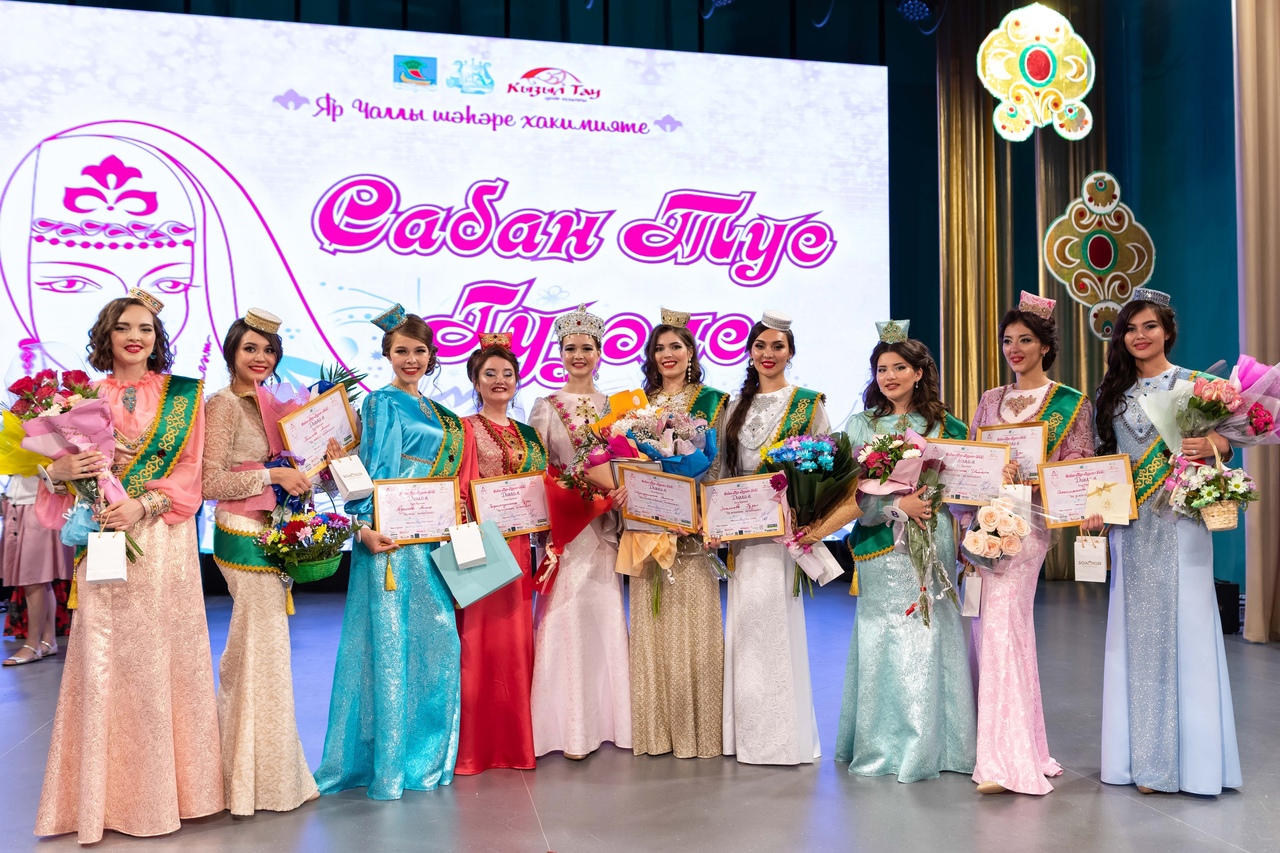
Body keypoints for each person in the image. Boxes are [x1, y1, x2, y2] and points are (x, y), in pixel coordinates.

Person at [34, 290, 223, 843]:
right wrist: (57, 471)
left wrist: (145, 504)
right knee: (106, 658)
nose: (135, 336)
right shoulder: (80, 397)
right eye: (123, 327)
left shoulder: (184, 395)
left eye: (145, 328)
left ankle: (180, 794)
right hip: (104, 535)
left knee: (166, 655)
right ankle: (104, 797)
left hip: (162, 538)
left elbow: (191, 469)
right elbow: (58, 475)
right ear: (106, 335)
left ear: (157, 338)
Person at [1090, 288, 1241, 795]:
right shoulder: (1110, 393)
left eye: (1149, 326)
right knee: (1136, 633)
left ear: (1168, 331)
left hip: (1182, 522)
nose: (1140, 336)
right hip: (1131, 528)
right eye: (1130, 329)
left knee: (1188, 629)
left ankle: (1193, 765)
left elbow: (1230, 444)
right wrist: (1094, 506)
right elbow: (1103, 461)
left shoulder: (1199, 385)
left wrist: (1213, 442)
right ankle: (1143, 760)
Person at [314, 305, 465, 799]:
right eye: (402, 351)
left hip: (431, 540)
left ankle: (423, 755)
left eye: (419, 351)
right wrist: (363, 528)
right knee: (390, 648)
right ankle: (390, 765)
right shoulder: (382, 402)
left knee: (435, 644)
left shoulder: (439, 413)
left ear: (431, 355)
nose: (411, 359)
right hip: (392, 543)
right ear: (387, 355)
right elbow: (375, 470)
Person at [835, 320, 976, 782]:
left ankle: (938, 745)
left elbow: (966, 489)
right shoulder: (860, 425)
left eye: (899, 367)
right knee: (882, 636)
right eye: (881, 369)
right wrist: (897, 505)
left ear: (919, 372)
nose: (889, 376)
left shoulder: (948, 425)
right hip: (879, 545)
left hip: (930, 540)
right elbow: (848, 494)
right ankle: (881, 746)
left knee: (930, 633)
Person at [965, 292, 1094, 795]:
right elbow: (971, 460)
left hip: (1029, 527)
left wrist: (1034, 476)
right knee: (994, 630)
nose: (1014, 349)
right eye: (1007, 340)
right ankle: (1021, 747)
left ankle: (1004, 762)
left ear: (1045, 346)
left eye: (1024, 340)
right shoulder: (990, 399)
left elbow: (1077, 466)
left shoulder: (1070, 403)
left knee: (1001, 626)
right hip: (985, 521)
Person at [202, 308, 319, 814]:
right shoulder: (223, 404)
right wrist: (272, 476)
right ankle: (250, 780)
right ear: (232, 351)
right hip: (241, 534)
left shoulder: (272, 404)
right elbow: (208, 481)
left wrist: (318, 464)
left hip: (273, 533)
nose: (260, 357)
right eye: (250, 348)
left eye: (268, 350)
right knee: (260, 649)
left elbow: (294, 470)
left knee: (261, 652)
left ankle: (258, 774)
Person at [718, 310, 825, 766]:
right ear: (749, 352)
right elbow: (724, 472)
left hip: (782, 537)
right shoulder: (732, 408)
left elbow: (824, 466)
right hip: (743, 536)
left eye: (777, 346)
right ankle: (746, 735)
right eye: (760, 345)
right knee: (746, 628)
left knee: (778, 625)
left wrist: (805, 513)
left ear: (790, 352)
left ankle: (782, 738)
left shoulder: (808, 404)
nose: (768, 353)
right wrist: (716, 522)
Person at [528, 304, 631, 760]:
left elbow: (630, 465)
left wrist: (624, 491)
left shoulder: (617, 408)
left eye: (587, 347)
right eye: (570, 348)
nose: (578, 355)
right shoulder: (546, 406)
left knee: (602, 611)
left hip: (604, 527)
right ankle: (564, 728)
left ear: (600, 352)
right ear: (559, 352)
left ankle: (609, 722)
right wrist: (564, 499)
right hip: (567, 530)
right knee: (563, 617)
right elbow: (538, 469)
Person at [628, 308, 727, 759]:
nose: (667, 354)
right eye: (659, 348)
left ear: (691, 353)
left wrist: (702, 512)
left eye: (676, 346)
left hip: (693, 532)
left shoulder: (713, 402)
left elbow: (718, 466)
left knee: (695, 629)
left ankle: (698, 733)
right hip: (650, 533)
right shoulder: (637, 406)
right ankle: (657, 732)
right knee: (653, 629)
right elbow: (629, 466)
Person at [454, 334, 546, 774]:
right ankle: (476, 747)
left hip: (520, 547)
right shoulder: (463, 428)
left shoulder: (528, 434)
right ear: (475, 380)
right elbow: (458, 488)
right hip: (480, 544)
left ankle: (515, 741)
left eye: (507, 373)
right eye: (489, 373)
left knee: (514, 640)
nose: (499, 380)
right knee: (478, 641)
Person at [1, 474, 73, 665]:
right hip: (16, 502)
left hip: (39, 503)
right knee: (38, 579)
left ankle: (32, 645)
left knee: (33, 578)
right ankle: (48, 641)